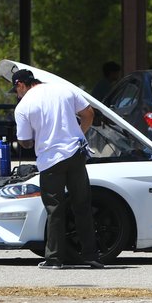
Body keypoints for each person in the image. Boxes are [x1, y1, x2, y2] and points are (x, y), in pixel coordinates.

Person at [12, 68, 104, 269]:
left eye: (16, 90)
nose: (17, 94)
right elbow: (89, 113)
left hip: (50, 160)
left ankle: (54, 259)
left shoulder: (23, 106)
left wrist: (38, 136)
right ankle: (91, 255)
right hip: (76, 154)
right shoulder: (64, 89)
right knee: (82, 205)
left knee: (55, 209)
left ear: (21, 85)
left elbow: (25, 142)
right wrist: (79, 134)